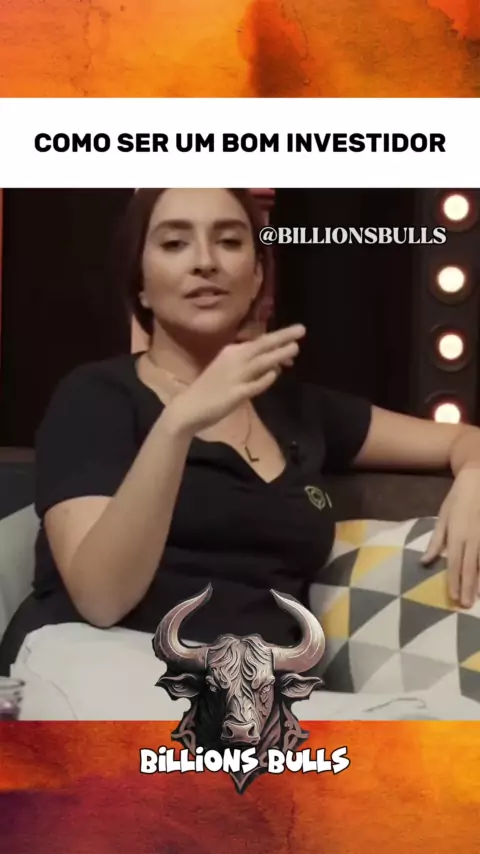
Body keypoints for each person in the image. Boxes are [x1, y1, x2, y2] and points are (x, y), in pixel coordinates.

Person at [2, 187, 480, 679]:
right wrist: (178, 424)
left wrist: (474, 476)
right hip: (104, 671)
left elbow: (461, 439)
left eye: (229, 241)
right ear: (140, 284)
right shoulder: (96, 396)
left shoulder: (297, 408)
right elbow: (100, 599)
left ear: (256, 277)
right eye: (174, 243)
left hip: (257, 690)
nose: (205, 262)